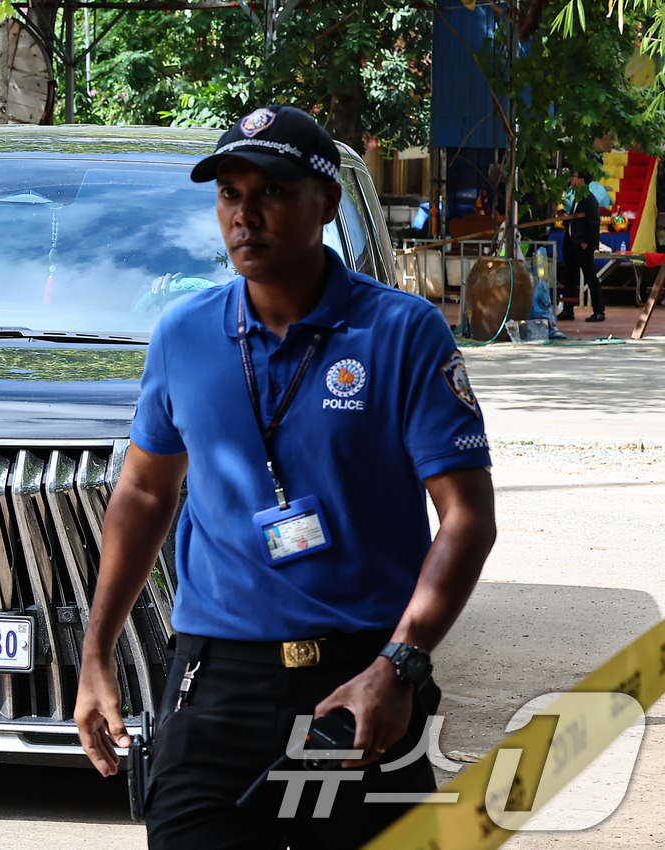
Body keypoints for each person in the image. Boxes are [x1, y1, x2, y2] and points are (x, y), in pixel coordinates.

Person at [74, 106, 498, 849]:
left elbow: (467, 517)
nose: (245, 215)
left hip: (361, 681)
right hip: (216, 682)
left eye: (271, 191)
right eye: (230, 194)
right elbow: (144, 492)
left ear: (327, 202)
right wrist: (96, 653)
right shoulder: (185, 334)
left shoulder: (400, 333)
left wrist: (399, 666)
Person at [559, 170, 604, 322]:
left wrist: (586, 242)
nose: (572, 179)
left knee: (590, 277)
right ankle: (568, 310)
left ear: (582, 181)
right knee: (569, 277)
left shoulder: (589, 199)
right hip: (572, 243)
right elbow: (575, 221)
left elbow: (594, 223)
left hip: (582, 245)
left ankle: (599, 311)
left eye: (574, 177)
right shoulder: (578, 198)